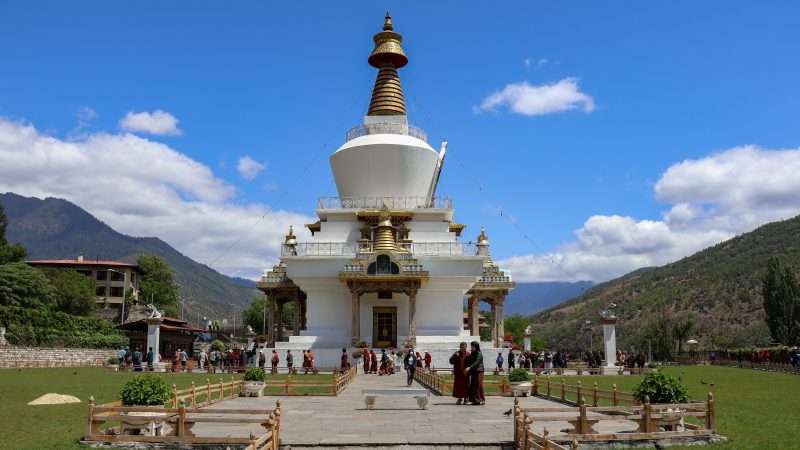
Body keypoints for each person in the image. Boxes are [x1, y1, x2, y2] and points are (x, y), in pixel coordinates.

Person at [464, 341, 485, 405]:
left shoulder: (479, 354)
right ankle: (474, 400)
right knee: (473, 385)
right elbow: (469, 360)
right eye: (471, 346)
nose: (471, 348)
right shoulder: (472, 353)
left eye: (472, 346)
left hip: (479, 371)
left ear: (476, 347)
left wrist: (469, 368)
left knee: (478, 385)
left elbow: (476, 362)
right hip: (474, 371)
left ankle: (479, 399)